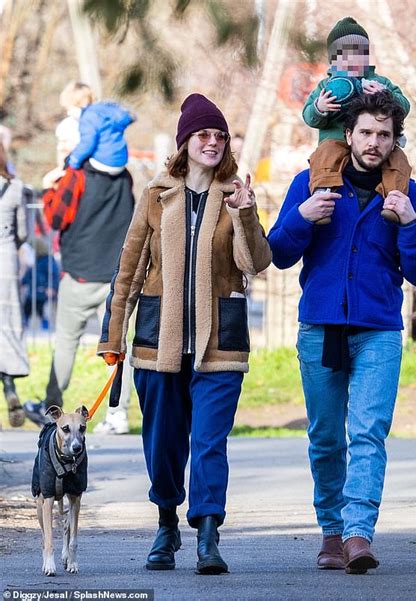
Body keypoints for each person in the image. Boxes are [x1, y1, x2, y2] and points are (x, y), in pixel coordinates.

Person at [97, 93, 271, 574]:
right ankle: (166, 522)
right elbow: (129, 271)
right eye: (203, 135)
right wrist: (113, 338)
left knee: (211, 442)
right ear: (186, 143)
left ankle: (209, 536)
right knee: (164, 442)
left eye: (219, 135)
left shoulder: (235, 193)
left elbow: (255, 263)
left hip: (220, 346)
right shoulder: (156, 195)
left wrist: (245, 214)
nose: (212, 142)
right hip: (159, 345)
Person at [268, 91, 416, 574]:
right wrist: (303, 218)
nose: (374, 142)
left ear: (393, 140)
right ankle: (331, 530)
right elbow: (278, 252)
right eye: (365, 132)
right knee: (325, 437)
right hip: (321, 326)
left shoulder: (409, 194)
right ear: (348, 134)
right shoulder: (311, 182)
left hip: (378, 330)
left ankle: (359, 534)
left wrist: (409, 223)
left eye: (384, 135)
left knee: (368, 432)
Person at [23, 158, 135, 433]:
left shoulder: (75, 177)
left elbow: (55, 218)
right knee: (118, 346)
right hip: (115, 275)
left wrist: (50, 188)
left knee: (66, 343)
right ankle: (118, 413)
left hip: (80, 275)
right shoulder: (124, 177)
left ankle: (51, 407)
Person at [302, 16, 411, 222]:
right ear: (334, 59)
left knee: (398, 160)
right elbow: (309, 116)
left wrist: (386, 94)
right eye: (345, 54)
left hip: (374, 146)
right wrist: (320, 107)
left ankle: (395, 199)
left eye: (360, 53)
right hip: (335, 141)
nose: (353, 59)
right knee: (323, 156)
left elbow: (404, 106)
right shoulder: (327, 86)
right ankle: (322, 195)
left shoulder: (379, 81)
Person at [0, 140, 28, 427]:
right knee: (5, 326)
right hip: (5, 262)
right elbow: (23, 233)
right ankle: (10, 388)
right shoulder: (16, 188)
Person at [64, 82, 135, 174]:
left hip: (103, 163)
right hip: (120, 161)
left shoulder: (88, 117)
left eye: (69, 109)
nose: (68, 113)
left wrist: (73, 161)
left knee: (74, 163)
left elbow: (87, 144)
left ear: (78, 104)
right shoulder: (105, 112)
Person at [21, 236, 60, 329]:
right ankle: (24, 327)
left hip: (44, 292)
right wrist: (22, 283)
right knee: (26, 308)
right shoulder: (35, 260)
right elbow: (29, 275)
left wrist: (52, 287)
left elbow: (54, 275)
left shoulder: (48, 260)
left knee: (42, 311)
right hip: (32, 292)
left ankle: (46, 328)